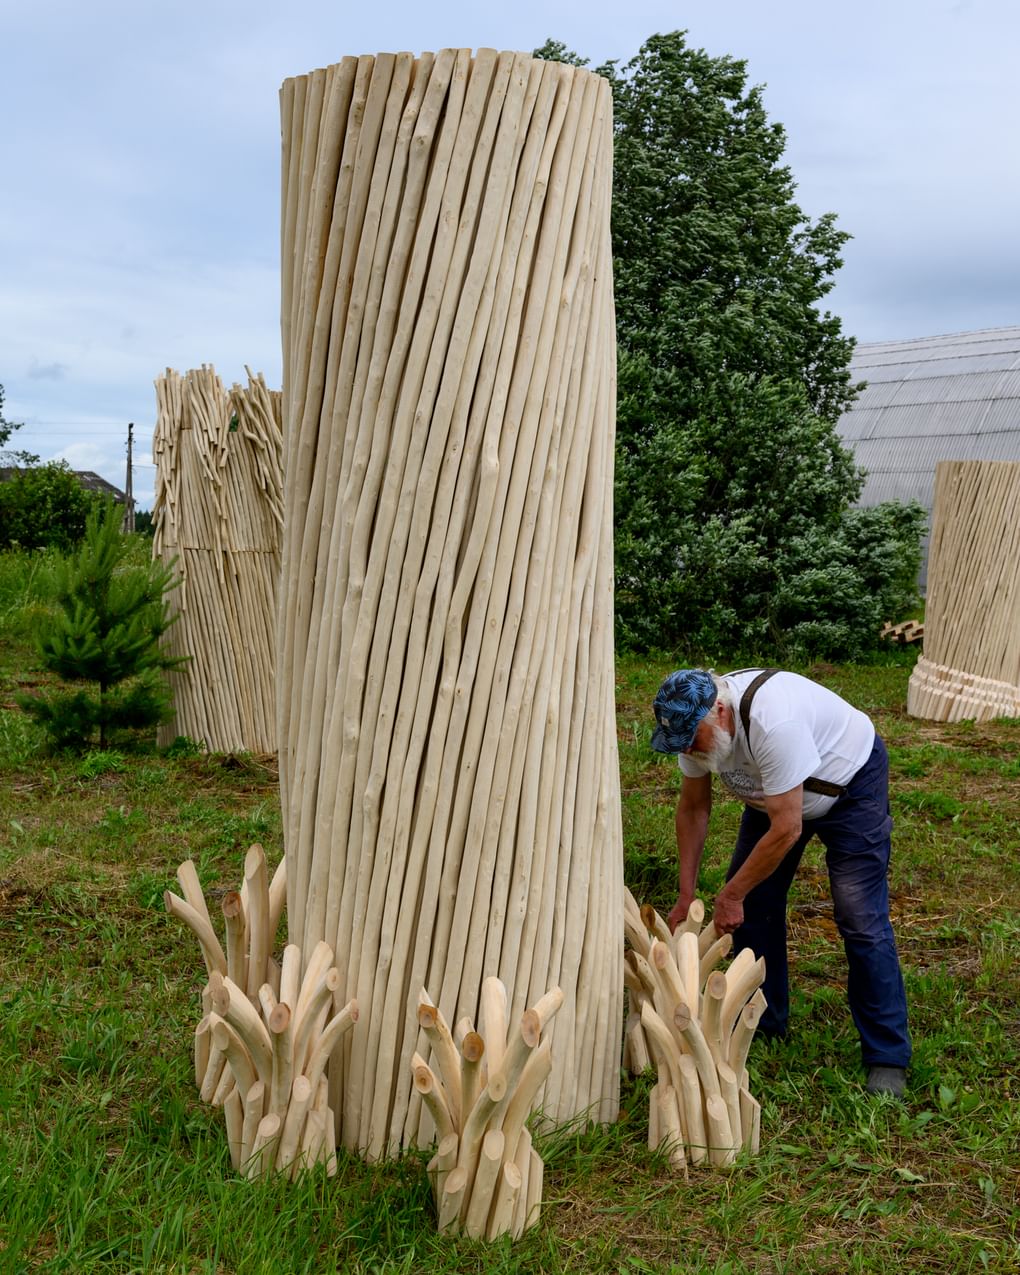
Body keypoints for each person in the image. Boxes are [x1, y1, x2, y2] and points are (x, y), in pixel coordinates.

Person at [650, 666, 911, 1098]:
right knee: (752, 909)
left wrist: (731, 893)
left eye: (694, 741)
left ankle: (887, 1056)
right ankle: (765, 1020)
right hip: (775, 795)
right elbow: (694, 808)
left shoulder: (775, 721)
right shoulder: (690, 729)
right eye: (681, 746)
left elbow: (786, 828)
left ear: (719, 710)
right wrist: (686, 894)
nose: (690, 753)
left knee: (859, 917)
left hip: (848, 786)